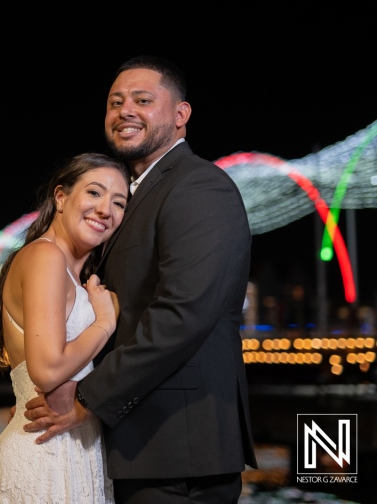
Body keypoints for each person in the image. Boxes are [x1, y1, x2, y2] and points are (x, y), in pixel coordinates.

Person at [22, 55, 259, 503]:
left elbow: (183, 312)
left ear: (180, 115)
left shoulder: (198, 186)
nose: (125, 110)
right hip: (138, 444)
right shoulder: (131, 198)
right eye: (115, 102)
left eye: (143, 100)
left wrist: (87, 398)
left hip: (178, 445)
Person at [0, 152, 130, 503]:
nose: (106, 209)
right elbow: (46, 371)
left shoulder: (74, 276)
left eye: (119, 202)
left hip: (75, 454)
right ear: (61, 197)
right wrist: (105, 322)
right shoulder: (45, 256)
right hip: (45, 457)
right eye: (94, 193)